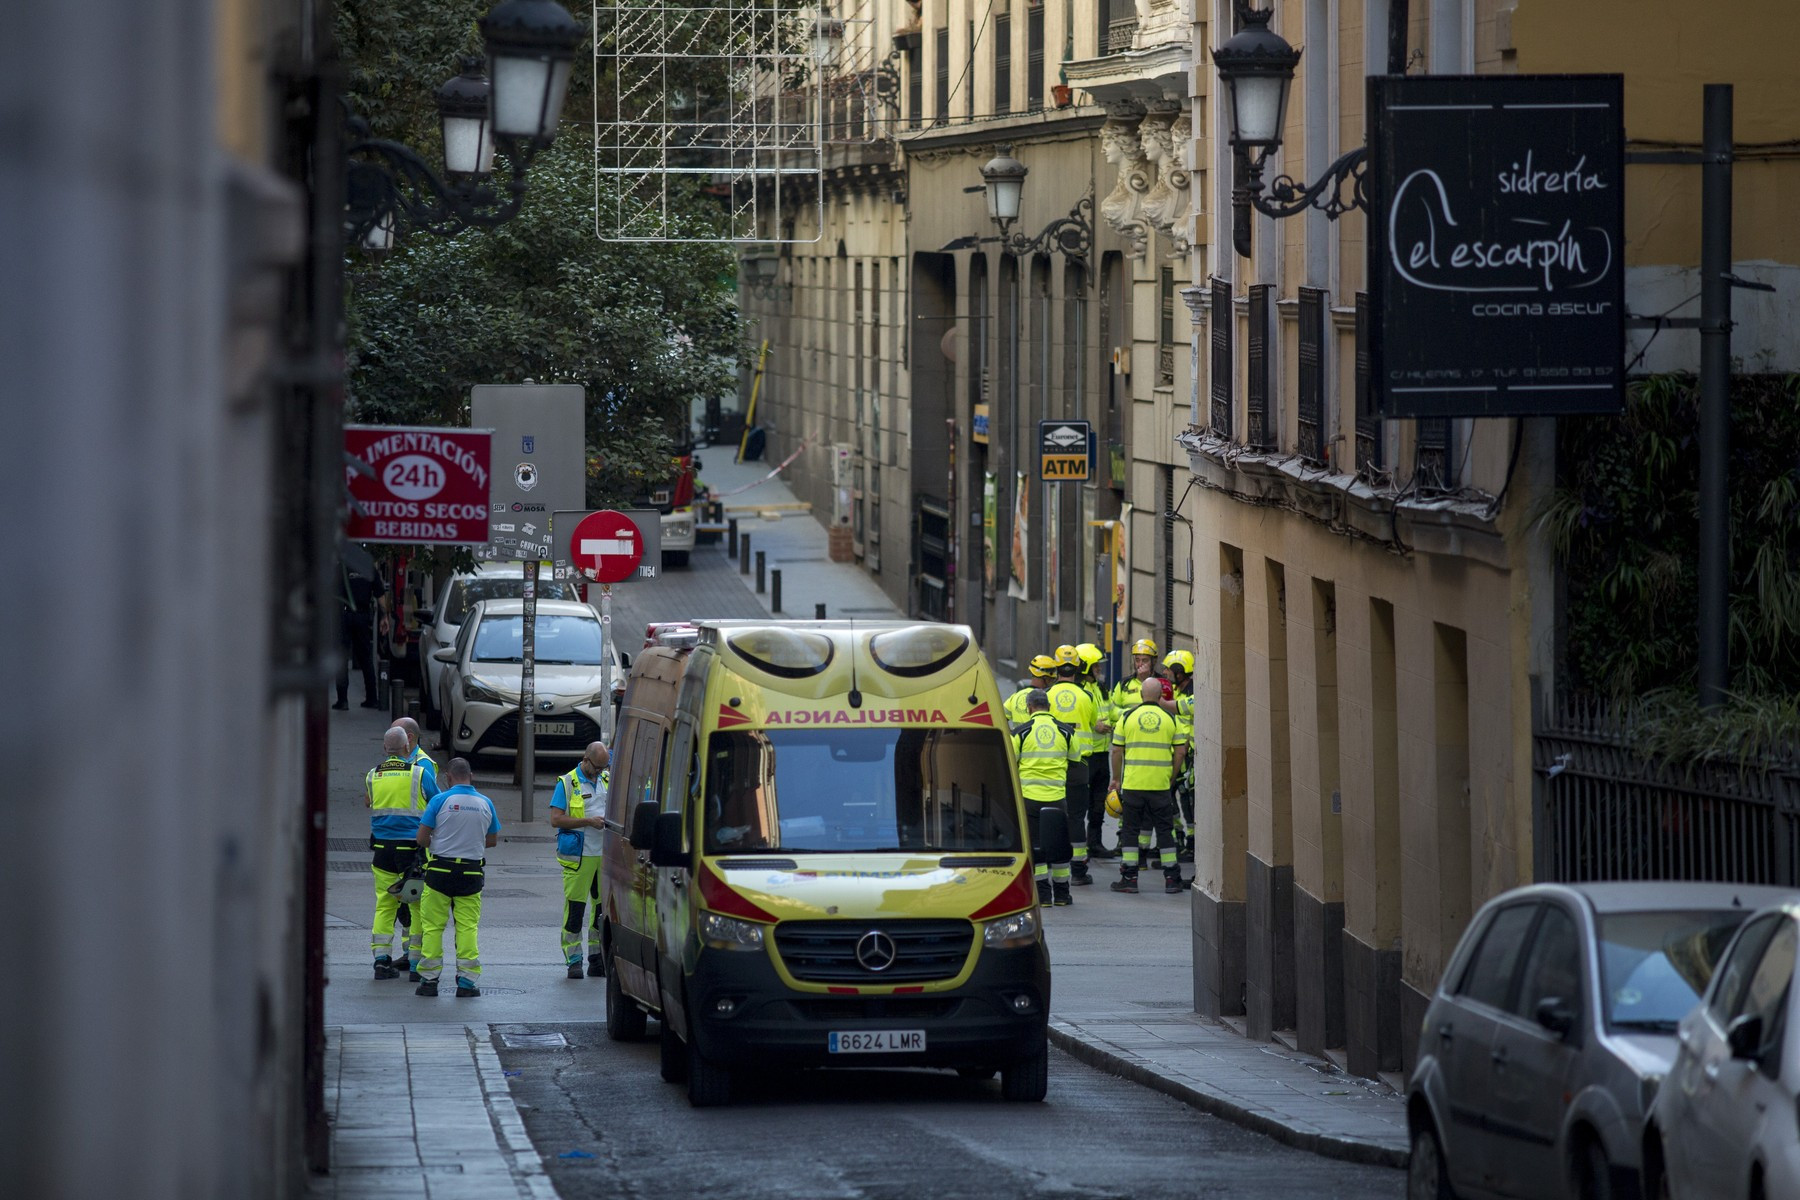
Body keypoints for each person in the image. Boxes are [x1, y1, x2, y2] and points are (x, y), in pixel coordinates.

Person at [414, 758, 500, 998]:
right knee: (467, 927)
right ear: (470, 775)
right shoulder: (486, 803)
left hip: (440, 871)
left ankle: (429, 981)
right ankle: (466, 982)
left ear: (448, 778)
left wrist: (439, 842)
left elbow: (421, 838)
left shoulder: (439, 800)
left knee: (432, 927)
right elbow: (492, 840)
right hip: (471, 873)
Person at [366, 727, 440, 979]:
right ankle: (416, 963)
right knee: (418, 905)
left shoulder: (372, 775)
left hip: (382, 850)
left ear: (385, 749)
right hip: (412, 851)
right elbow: (437, 803)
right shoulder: (418, 774)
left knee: (384, 905)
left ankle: (381, 961)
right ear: (407, 747)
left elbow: (369, 801)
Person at [1108, 678, 1186, 895]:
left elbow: (1116, 751)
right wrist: (1171, 775)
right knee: (1164, 830)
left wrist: (1116, 779)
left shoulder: (1127, 717)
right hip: (1160, 785)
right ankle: (1172, 878)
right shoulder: (1171, 718)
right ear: (1160, 696)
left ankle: (1130, 878)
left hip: (1133, 785)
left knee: (1130, 831)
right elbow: (1180, 751)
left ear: (1141, 695)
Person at [1011, 689, 1079, 906]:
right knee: (1059, 846)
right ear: (1049, 706)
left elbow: (1012, 763)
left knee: (1036, 846)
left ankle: (1042, 895)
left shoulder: (1020, 732)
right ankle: (1061, 894)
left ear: (1029, 707)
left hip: (1029, 798)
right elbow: (1075, 758)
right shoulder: (1066, 731)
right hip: (1057, 798)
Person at [549, 742, 610, 979]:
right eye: (597, 767)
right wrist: (587, 821)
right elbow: (556, 819)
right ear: (585, 760)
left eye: (604, 768)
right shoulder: (566, 782)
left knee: (601, 910)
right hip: (579, 856)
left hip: (603, 854)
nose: (600, 772)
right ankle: (573, 959)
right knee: (576, 909)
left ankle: (596, 958)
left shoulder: (605, 780)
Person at [1045, 649, 1098, 887]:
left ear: (1056, 669)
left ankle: (1049, 863)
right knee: (1076, 817)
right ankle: (1077, 869)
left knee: (1050, 816)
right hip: (1079, 765)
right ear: (1077, 669)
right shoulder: (1087, 696)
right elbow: (1095, 723)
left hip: (1052, 764)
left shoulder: (1045, 695)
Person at [1070, 643, 1117, 857]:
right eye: (1096, 665)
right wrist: (1094, 726)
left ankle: (1094, 843)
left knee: (1099, 803)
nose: (1099, 668)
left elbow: (1114, 712)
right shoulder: (1079, 691)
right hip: (1083, 756)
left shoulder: (1100, 689)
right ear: (1086, 666)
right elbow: (1073, 722)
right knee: (1080, 804)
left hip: (1101, 755)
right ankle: (1075, 845)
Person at [335, 559, 389, 710]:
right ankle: (371, 698)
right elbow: (380, 594)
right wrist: (384, 616)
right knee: (365, 657)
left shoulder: (341, 567)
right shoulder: (368, 567)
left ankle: (343, 700)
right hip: (362, 615)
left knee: (342, 657)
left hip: (344, 615)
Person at [1159, 649, 1197, 864]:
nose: (1164, 672)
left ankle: (1191, 843)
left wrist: (1158, 701)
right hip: (1174, 753)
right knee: (1172, 798)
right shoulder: (1175, 690)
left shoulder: (1192, 693)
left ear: (1179, 671)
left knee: (1187, 800)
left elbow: (1181, 708)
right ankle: (1179, 838)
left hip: (1188, 756)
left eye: (1168, 668)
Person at [1003, 654, 1058, 724]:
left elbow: (1000, 717)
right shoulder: (1047, 698)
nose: (1051, 681)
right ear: (1045, 677)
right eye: (1051, 678)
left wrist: (1010, 733)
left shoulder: (1015, 697)